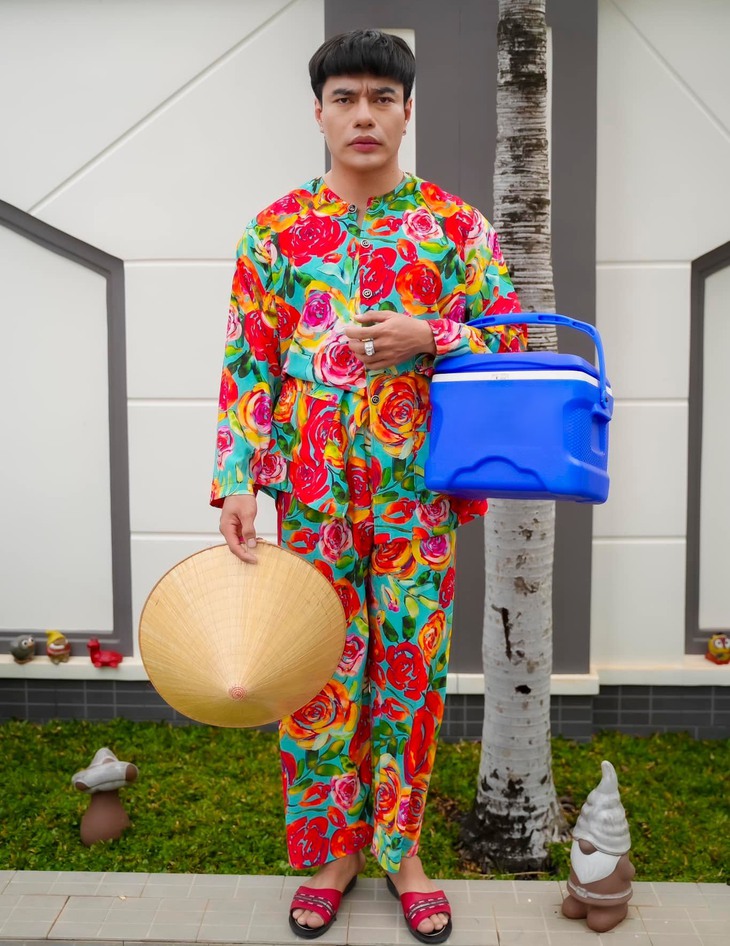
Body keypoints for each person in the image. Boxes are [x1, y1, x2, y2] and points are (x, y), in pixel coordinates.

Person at [211, 28, 524, 943]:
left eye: (381, 98)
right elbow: (247, 361)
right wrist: (239, 481)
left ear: (407, 112)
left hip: (418, 491)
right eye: (344, 98)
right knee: (319, 667)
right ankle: (333, 853)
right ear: (318, 113)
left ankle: (403, 851)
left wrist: (432, 334)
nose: (363, 115)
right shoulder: (274, 230)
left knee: (410, 672)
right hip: (311, 497)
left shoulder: (455, 227)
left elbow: (513, 339)